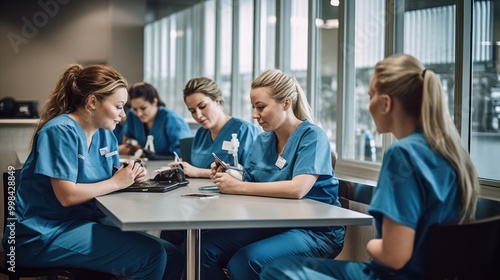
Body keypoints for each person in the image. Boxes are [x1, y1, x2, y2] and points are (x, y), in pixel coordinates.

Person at [260, 54, 480, 280]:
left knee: (276, 270)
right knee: (283, 265)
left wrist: (371, 245)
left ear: (386, 103)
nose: (368, 105)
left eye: (370, 96)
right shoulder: (451, 154)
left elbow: (394, 256)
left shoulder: (402, 154)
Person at [1, 64, 184, 279]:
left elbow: (108, 178)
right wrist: (117, 182)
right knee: (151, 256)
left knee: (173, 254)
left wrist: (130, 177)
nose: (123, 115)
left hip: (81, 223)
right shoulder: (59, 131)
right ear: (92, 101)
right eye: (118, 106)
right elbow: (67, 196)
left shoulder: (106, 134)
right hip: (41, 234)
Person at [199, 69, 345, 280]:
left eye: (261, 107)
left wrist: (238, 187)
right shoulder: (263, 140)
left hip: (313, 231)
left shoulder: (313, 137)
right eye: (253, 107)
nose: (254, 115)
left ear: (286, 103)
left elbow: (297, 189)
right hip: (272, 223)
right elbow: (251, 178)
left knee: (245, 261)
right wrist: (230, 174)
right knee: (203, 248)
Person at [169, 76, 260, 178]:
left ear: (217, 101)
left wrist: (199, 172)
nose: (198, 115)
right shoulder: (200, 135)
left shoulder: (245, 131)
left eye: (202, 106)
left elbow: (252, 175)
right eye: (192, 111)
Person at [118, 82, 192, 157]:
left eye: (143, 108)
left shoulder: (171, 118)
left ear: (154, 102)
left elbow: (184, 152)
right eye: (135, 109)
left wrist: (158, 157)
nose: (139, 113)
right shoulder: (132, 115)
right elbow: (126, 143)